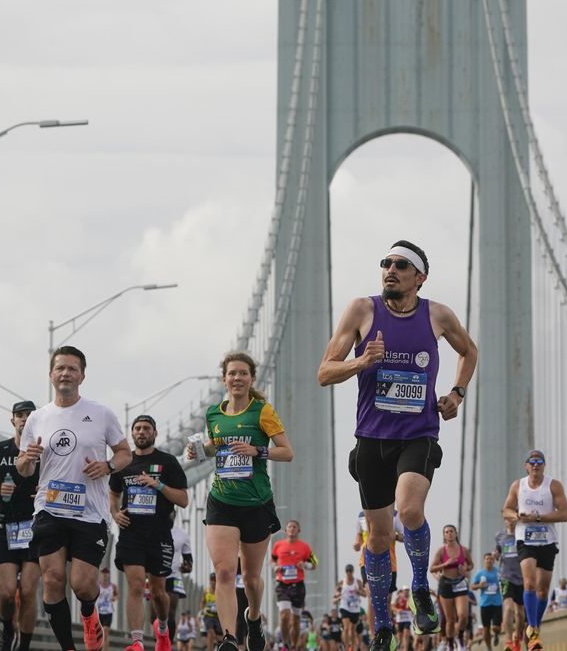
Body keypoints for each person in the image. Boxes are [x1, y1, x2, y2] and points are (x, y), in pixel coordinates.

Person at [319, 240, 479, 651]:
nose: (390, 269)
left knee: (408, 510)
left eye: (401, 265)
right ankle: (384, 627)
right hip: (372, 438)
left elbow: (469, 351)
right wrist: (360, 362)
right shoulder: (362, 310)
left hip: (418, 434)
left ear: (419, 277)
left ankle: (421, 585)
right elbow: (325, 372)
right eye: (385, 263)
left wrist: (457, 394)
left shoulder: (438, 315)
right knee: (377, 536)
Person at [16, 345, 134, 651]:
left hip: (90, 512)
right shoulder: (37, 418)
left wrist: (107, 465)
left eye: (71, 368)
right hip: (48, 508)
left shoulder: (100, 413)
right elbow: (25, 469)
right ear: (51, 374)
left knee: (82, 585)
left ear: (82, 375)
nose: (65, 373)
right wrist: (27, 458)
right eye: (60, 368)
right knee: (53, 580)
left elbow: (125, 453)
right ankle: (69, 648)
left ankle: (88, 612)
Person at [187, 351, 294, 651]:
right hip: (222, 501)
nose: (237, 378)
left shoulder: (262, 411)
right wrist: (199, 452)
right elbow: (215, 447)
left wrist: (257, 452)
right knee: (224, 571)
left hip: (256, 502)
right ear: (224, 379)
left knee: (251, 578)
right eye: (232, 373)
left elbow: (287, 452)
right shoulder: (213, 414)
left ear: (251, 378)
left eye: (243, 373)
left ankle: (255, 617)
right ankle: (230, 638)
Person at [110, 414, 190, 651]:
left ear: (154, 433)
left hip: (159, 535)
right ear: (132, 433)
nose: (141, 432)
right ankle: (136, 642)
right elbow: (113, 493)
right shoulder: (123, 462)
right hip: (131, 533)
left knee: (158, 593)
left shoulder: (168, 462)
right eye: (137, 429)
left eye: (146, 428)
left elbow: (184, 500)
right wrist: (114, 513)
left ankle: (163, 627)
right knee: (135, 586)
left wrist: (159, 485)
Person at [0, 399, 42, 651]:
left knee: (28, 591)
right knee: (7, 593)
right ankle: (8, 628)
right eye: (20, 414)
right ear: (13, 420)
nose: (24, 418)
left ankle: (24, 645)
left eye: (29, 414)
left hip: (35, 526)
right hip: (5, 526)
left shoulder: (44, 451)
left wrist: (44, 491)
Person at [500, 450, 567, 651]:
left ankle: (532, 626)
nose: (536, 465)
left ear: (544, 465)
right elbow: (505, 509)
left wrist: (538, 518)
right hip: (525, 540)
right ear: (526, 466)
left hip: (547, 541)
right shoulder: (518, 486)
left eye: (540, 462)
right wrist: (517, 515)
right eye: (532, 462)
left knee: (542, 589)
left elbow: (564, 514)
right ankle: (533, 634)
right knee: (529, 583)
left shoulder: (553, 485)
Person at [354, 509, 404, 634]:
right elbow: (359, 534)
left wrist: (395, 536)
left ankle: (386, 633)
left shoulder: (394, 515)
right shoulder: (362, 515)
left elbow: (404, 536)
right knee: (372, 597)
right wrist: (357, 543)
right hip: (367, 562)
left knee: (386, 600)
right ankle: (373, 635)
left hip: (389, 563)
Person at [272, 520, 317, 651]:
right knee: (284, 615)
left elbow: (315, 563)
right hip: (282, 585)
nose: (292, 529)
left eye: (294, 527)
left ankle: (294, 646)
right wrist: (275, 567)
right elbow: (273, 560)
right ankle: (285, 644)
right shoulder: (278, 545)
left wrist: (305, 565)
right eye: (289, 527)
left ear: (299, 530)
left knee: (295, 620)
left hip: (298, 586)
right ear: (286, 531)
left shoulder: (305, 547)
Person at [432, 525, 473, 651]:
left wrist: (465, 569)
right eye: (446, 532)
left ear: (456, 533)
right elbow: (432, 568)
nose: (449, 534)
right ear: (444, 535)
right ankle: (450, 644)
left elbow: (471, 564)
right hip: (446, 585)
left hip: (460, 583)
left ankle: (460, 638)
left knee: (463, 616)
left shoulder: (464, 550)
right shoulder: (441, 551)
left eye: (451, 531)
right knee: (450, 619)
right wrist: (446, 564)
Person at [493, 520, 525, 651]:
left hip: (522, 577)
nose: (510, 523)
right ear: (504, 521)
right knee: (509, 608)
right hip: (506, 577)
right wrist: (495, 554)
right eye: (507, 520)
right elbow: (497, 550)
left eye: (513, 520)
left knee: (520, 612)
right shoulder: (500, 536)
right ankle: (508, 641)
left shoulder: (522, 535)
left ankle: (517, 636)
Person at [166, 519, 195, 642]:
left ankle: (168, 645)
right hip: (156, 575)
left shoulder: (182, 534)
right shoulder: (153, 528)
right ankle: (159, 641)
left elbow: (189, 561)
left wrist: (187, 567)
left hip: (174, 575)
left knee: (170, 613)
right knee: (154, 615)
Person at [97, 568, 119, 650]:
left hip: (109, 612)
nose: (105, 576)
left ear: (108, 575)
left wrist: (114, 598)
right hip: (99, 612)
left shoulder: (112, 586)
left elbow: (117, 595)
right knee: (99, 634)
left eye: (106, 574)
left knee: (105, 633)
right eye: (103, 574)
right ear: (101, 575)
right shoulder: (97, 586)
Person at [201, 573, 221, 651]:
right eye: (211, 580)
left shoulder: (220, 592)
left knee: (220, 637)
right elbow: (202, 602)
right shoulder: (206, 591)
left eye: (214, 580)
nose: (213, 582)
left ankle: (218, 643)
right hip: (208, 615)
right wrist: (202, 610)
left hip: (217, 616)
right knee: (210, 632)